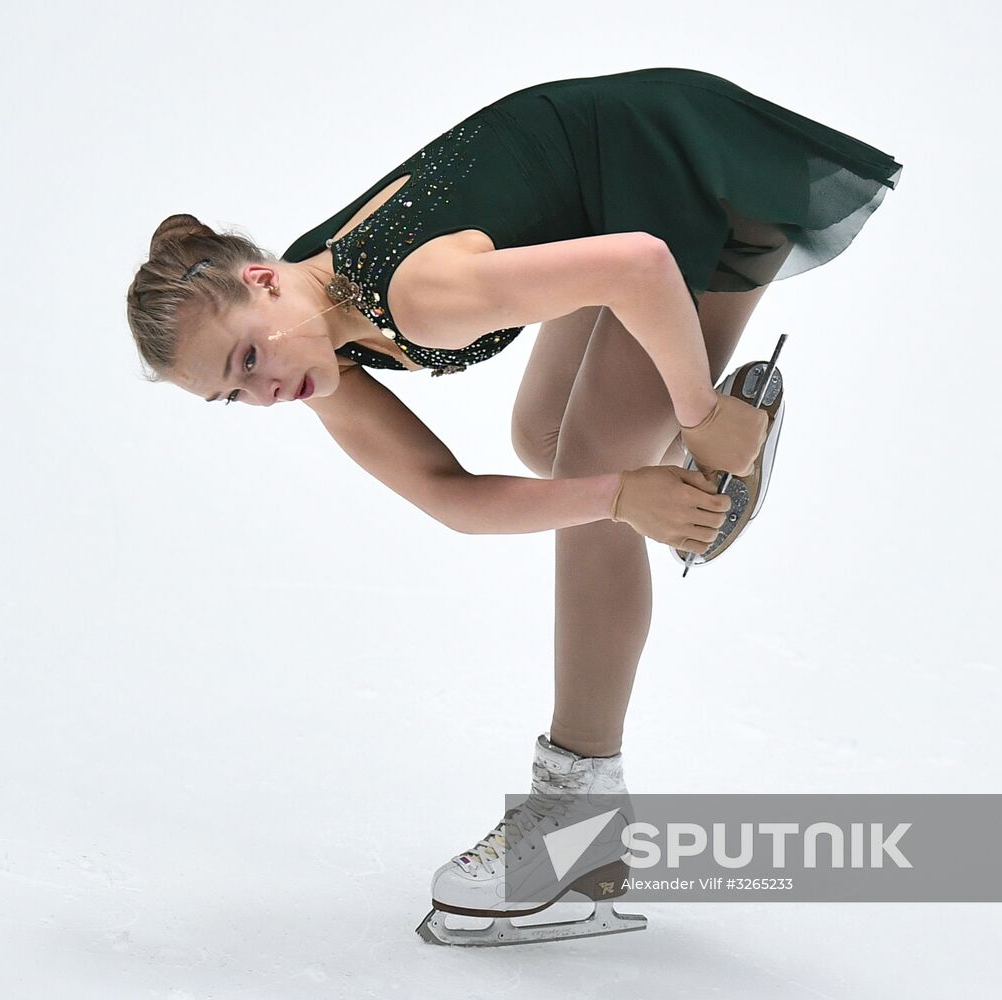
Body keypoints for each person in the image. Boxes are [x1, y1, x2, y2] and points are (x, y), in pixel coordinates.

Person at [125, 66, 903, 945]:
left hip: (681, 165)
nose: (264, 393)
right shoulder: (311, 327)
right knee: (549, 445)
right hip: (608, 187)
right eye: (234, 396)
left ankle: (578, 818)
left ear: (263, 281)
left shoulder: (418, 296)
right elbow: (447, 496)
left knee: (592, 463)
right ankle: (707, 470)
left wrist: (696, 407)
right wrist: (621, 493)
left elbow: (642, 265)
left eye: (247, 361)